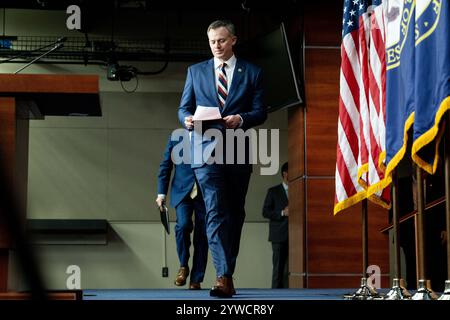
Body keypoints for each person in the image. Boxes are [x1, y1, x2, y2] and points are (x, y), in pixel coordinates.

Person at [178, 19, 267, 297]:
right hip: (204, 152)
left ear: (233, 40)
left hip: (237, 150)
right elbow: (183, 108)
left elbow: (261, 111)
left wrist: (241, 118)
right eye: (212, 41)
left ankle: (227, 269)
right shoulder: (196, 71)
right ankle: (223, 276)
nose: (216, 46)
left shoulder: (253, 72)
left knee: (234, 214)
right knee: (215, 211)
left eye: (221, 40)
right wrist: (188, 120)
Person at [156, 133, 208, 290]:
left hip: (205, 193)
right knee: (183, 225)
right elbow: (166, 166)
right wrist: (161, 194)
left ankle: (196, 279)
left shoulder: (212, 137)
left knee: (203, 235)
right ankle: (183, 265)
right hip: (181, 192)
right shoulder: (176, 138)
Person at [262, 162, 289, 289]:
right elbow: (265, 212)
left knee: (294, 270)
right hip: (278, 236)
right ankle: (275, 295)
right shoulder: (273, 191)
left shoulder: (299, 190)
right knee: (278, 268)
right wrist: (282, 212)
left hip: (296, 236)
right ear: (285, 173)